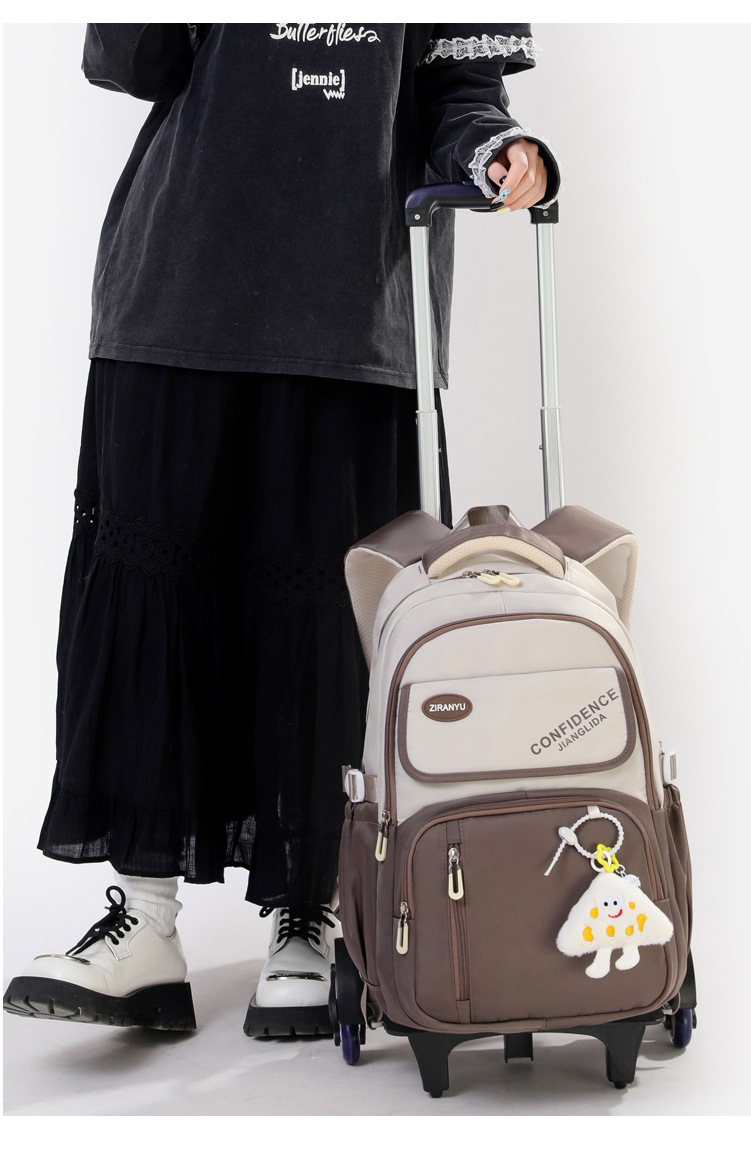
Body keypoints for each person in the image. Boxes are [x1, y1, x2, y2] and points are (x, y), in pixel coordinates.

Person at [4, 22, 560, 1038]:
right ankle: (144, 921)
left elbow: (460, 92)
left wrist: (496, 153)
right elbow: (131, 61)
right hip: (176, 291)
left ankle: (309, 909)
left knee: (327, 631)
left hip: (349, 314)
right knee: (154, 612)